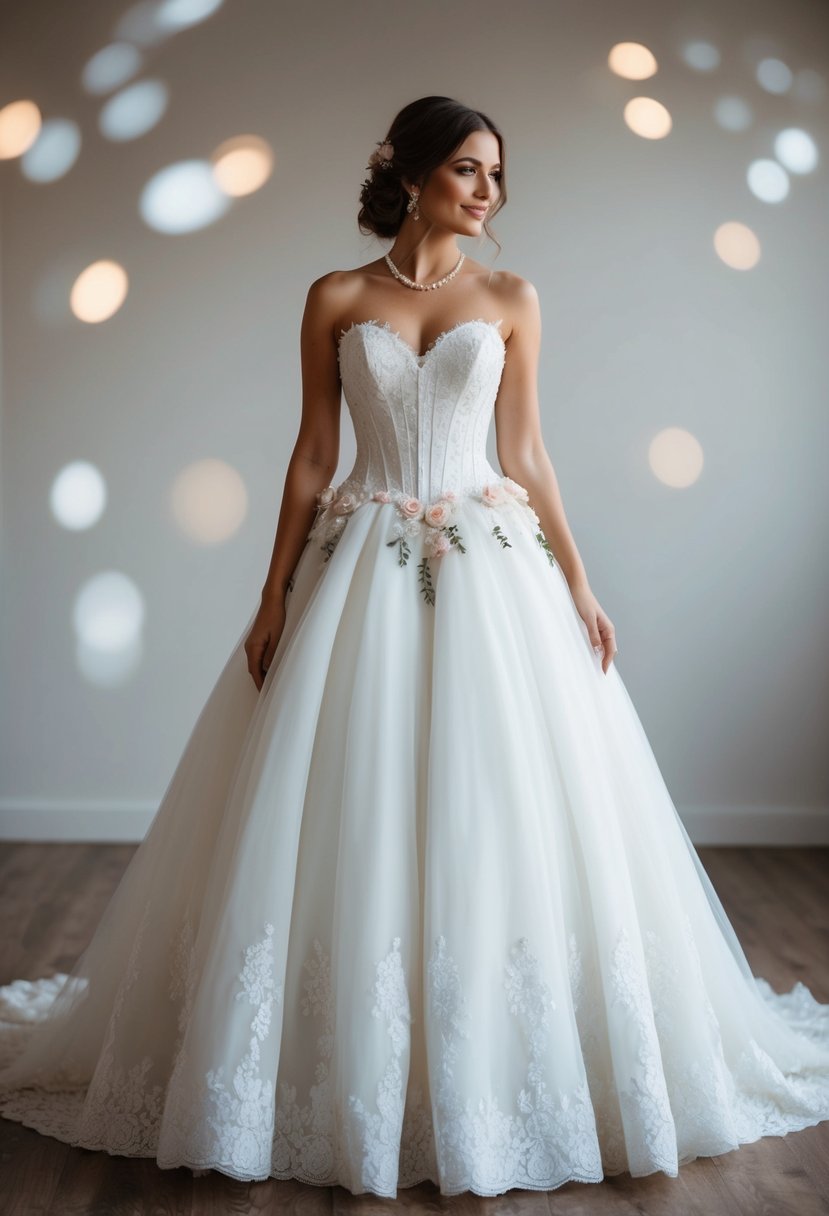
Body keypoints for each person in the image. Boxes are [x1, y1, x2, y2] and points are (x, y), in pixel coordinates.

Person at [0, 94, 827, 1201]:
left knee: (500, 805)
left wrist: (580, 582)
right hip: (358, 563)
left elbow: (527, 451)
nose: (489, 192)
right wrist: (272, 592)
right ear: (411, 170)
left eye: (496, 174)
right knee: (348, 802)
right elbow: (310, 454)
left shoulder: (512, 297)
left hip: (491, 566)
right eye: (470, 170)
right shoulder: (337, 296)